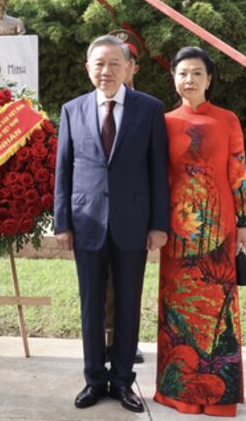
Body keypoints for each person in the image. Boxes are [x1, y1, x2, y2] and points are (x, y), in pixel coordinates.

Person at [54, 35, 169, 413]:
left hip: (133, 223)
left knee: (128, 304)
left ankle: (121, 381)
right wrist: (62, 223)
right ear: (87, 68)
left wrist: (159, 224)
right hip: (86, 222)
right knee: (90, 305)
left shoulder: (149, 109)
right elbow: (63, 170)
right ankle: (93, 379)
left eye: (114, 64)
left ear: (129, 68)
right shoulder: (72, 109)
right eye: (99, 64)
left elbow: (158, 171)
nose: (106, 71)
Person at [154, 46, 246, 417]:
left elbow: (238, 174)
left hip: (219, 230)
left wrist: (243, 224)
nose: (189, 80)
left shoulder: (227, 120)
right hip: (177, 233)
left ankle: (219, 398)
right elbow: (158, 178)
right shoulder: (163, 122)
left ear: (209, 79)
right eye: (182, 73)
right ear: (174, 79)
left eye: (197, 73)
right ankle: (179, 393)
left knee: (216, 311)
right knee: (178, 309)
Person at [104, 28, 144, 364]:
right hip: (99, 216)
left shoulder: (147, 109)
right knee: (103, 284)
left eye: (124, 60)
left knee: (128, 284)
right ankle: (106, 336)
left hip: (132, 214)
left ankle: (126, 340)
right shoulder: (93, 104)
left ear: (132, 67)